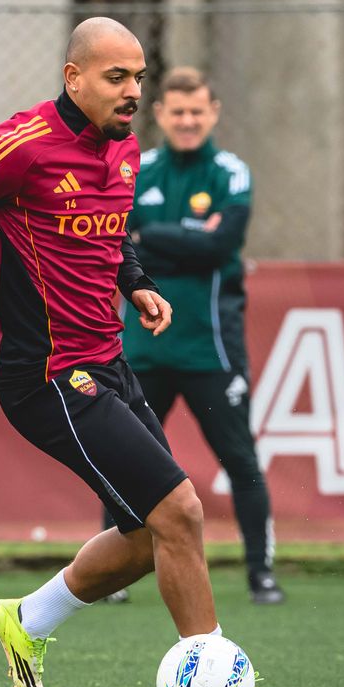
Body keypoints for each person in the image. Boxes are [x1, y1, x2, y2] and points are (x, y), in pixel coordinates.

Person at [0, 18, 310, 687]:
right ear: (74, 77)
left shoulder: (126, 146)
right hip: (47, 374)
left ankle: (27, 619)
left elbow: (116, 226)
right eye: (117, 77)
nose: (133, 91)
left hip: (107, 359)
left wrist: (134, 281)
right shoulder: (23, 145)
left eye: (139, 76)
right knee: (183, 514)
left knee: (147, 535)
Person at [106, 66, 284, 606]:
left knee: (240, 460)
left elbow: (220, 243)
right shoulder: (137, 167)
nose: (187, 121)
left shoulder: (231, 172)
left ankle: (262, 574)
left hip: (211, 348)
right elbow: (117, 242)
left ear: (213, 113)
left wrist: (153, 235)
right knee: (120, 456)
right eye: (177, 112)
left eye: (196, 112)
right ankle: (113, 579)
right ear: (159, 114)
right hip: (143, 347)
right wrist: (188, 237)